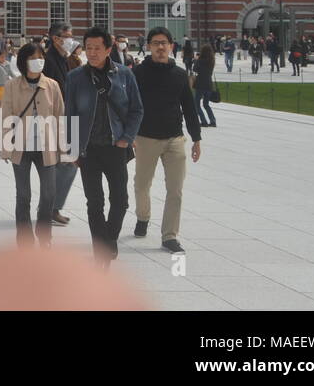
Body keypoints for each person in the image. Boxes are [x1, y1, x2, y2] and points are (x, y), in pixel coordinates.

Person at [64, 28, 144, 267]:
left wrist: (126, 138)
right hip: (88, 149)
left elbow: (137, 109)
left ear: (109, 49)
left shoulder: (124, 75)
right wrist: (72, 148)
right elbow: (70, 115)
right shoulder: (75, 77)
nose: (92, 52)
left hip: (115, 146)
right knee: (95, 202)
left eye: (97, 48)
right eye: (88, 48)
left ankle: (109, 239)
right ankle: (101, 250)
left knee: (120, 200)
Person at [130, 27, 203, 254]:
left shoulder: (180, 75)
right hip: (145, 137)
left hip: (174, 138)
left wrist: (196, 139)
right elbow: (130, 106)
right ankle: (143, 217)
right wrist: (129, 133)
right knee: (142, 185)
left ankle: (169, 235)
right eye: (155, 43)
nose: (160, 47)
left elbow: (189, 109)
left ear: (171, 46)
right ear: (149, 46)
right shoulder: (138, 73)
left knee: (175, 190)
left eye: (164, 43)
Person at [0, 43, 65, 247]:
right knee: (24, 195)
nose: (39, 61)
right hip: (21, 147)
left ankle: (44, 234)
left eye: (41, 57)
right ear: (24, 61)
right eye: (34, 58)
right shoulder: (12, 86)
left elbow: (59, 116)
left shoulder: (52, 85)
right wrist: (5, 148)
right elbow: (7, 117)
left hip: (47, 147)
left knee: (49, 194)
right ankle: (24, 239)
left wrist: (62, 147)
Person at [43, 23, 80, 228]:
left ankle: (51, 208)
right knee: (66, 164)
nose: (70, 40)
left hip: (66, 117)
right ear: (55, 38)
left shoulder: (64, 59)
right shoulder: (49, 61)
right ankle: (50, 208)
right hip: (57, 120)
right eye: (67, 36)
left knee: (65, 164)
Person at [193, 43, 217, 127]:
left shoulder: (200, 60)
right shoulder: (212, 60)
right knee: (206, 104)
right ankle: (213, 121)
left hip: (200, 84)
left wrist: (196, 60)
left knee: (196, 103)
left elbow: (195, 69)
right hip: (209, 84)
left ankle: (204, 121)